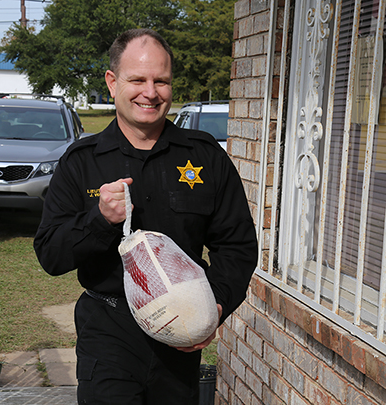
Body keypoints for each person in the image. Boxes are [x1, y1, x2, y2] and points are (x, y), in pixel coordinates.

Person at [33, 28, 258, 404]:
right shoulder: (81, 161)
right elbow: (50, 255)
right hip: (109, 331)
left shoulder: (205, 157)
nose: (150, 93)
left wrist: (213, 307)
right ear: (112, 82)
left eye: (161, 81)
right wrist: (100, 218)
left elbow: (236, 246)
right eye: (137, 79)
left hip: (180, 334)